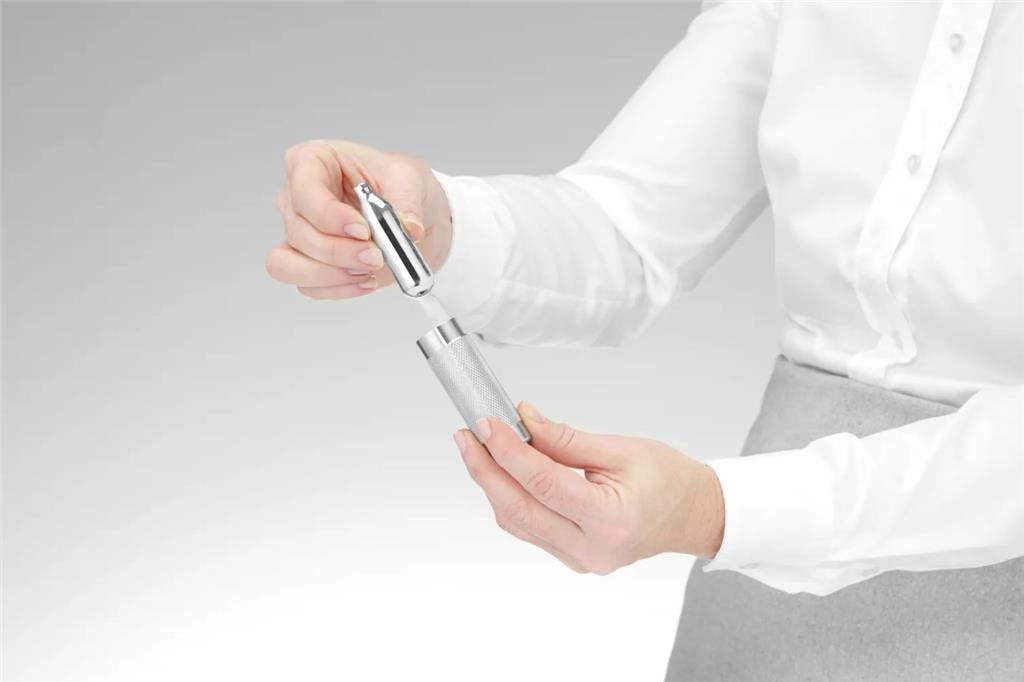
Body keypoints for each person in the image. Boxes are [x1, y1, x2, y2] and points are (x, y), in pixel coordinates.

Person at [266, 1, 1023, 678]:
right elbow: (628, 228)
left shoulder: (725, 508)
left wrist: (715, 510)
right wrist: (436, 225)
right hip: (753, 602)